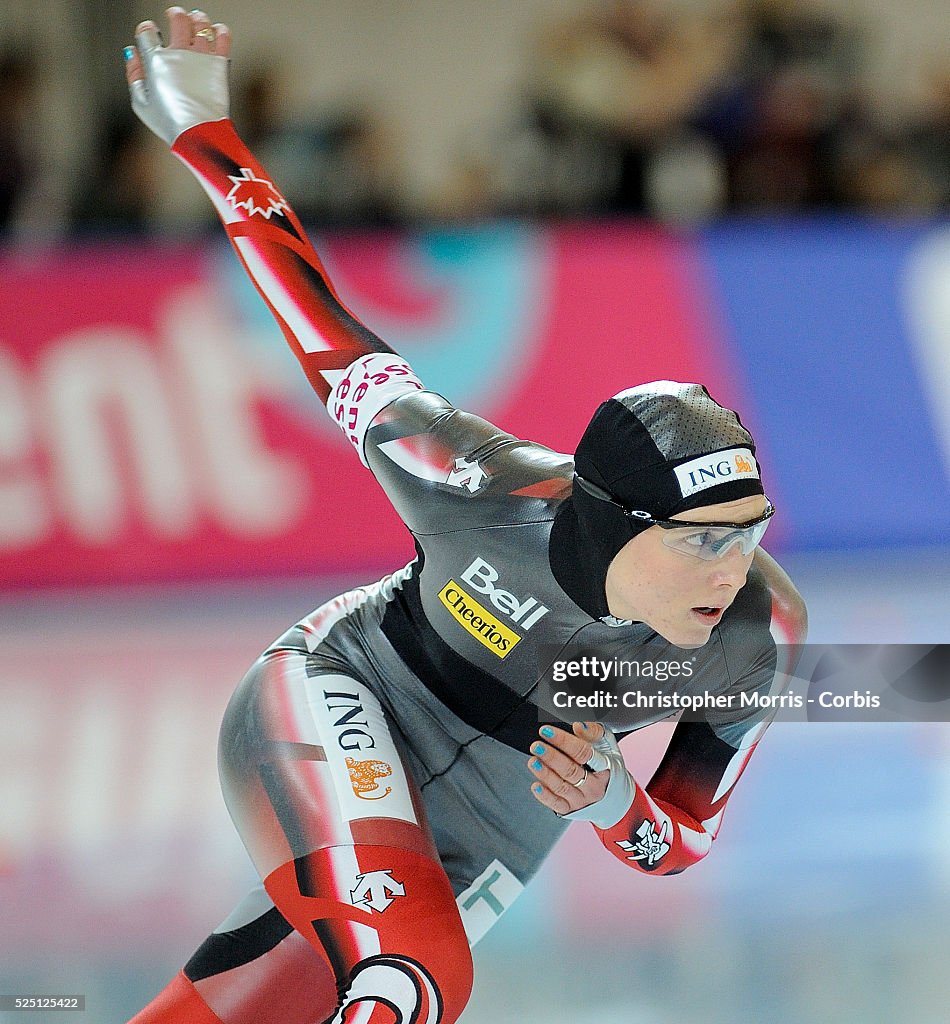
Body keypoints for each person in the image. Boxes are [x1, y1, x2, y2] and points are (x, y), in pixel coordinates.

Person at [123, 10, 807, 1024]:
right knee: (408, 978)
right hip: (343, 693)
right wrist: (203, 136)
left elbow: (682, 837)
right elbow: (321, 327)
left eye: (747, 531)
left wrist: (618, 808)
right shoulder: (475, 484)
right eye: (704, 538)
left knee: (238, 1010)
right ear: (616, 522)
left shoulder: (759, 635)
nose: (732, 569)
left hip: (496, 817)